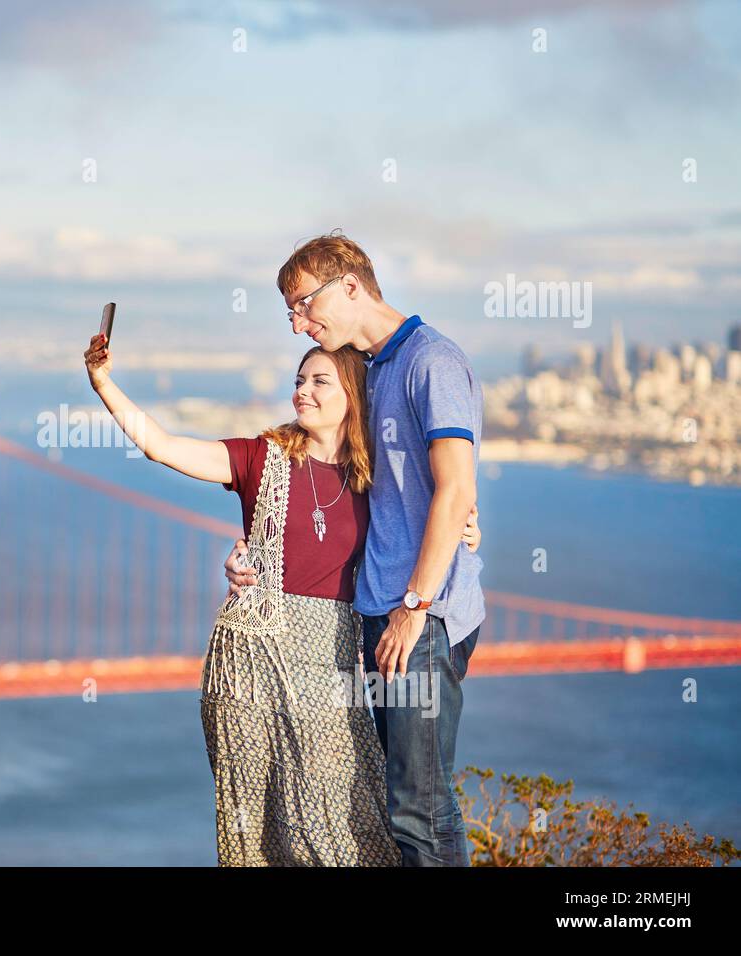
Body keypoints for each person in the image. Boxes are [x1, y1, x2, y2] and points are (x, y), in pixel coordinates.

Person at [83, 330, 480, 866]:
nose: (303, 391)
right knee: (258, 826)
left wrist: (467, 527)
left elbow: (436, 508)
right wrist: (102, 382)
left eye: (320, 381)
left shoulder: (374, 479)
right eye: (299, 380)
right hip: (248, 661)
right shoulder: (258, 458)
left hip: (329, 659)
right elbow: (161, 446)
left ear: (352, 396)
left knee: (349, 819)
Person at [225, 231, 485, 867]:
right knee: (400, 801)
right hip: (379, 611)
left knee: (418, 808)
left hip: (420, 616)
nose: (297, 323)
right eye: (290, 311)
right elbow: (359, 485)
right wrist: (255, 550)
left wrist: (415, 607)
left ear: (349, 286)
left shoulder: (431, 361)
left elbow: (455, 490)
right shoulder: (368, 371)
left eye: (304, 304)